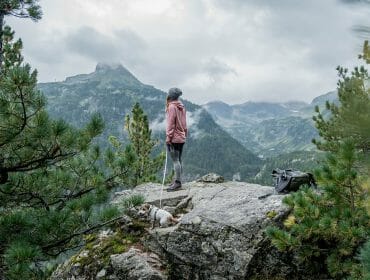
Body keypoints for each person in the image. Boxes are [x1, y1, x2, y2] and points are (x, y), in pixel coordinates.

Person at [166, 87, 187, 191]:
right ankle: (177, 180)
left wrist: (168, 137)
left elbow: (171, 123)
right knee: (179, 160)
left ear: (170, 95)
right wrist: (184, 133)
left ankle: (177, 183)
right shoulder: (181, 106)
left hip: (174, 138)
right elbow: (184, 123)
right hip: (181, 137)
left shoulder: (171, 107)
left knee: (175, 160)